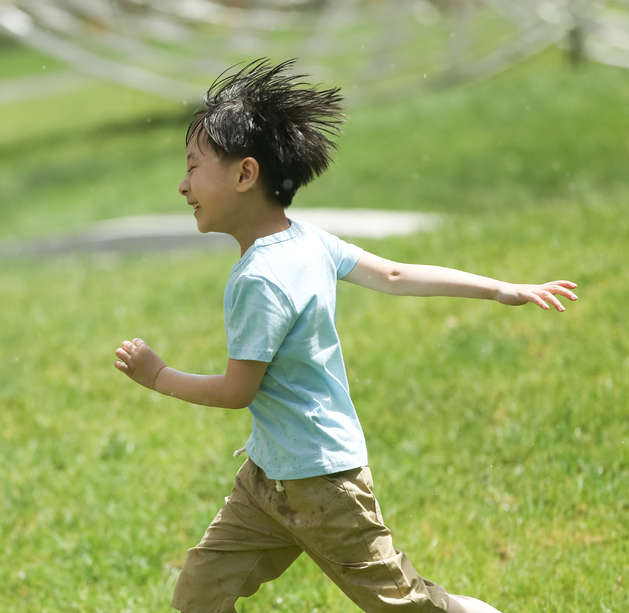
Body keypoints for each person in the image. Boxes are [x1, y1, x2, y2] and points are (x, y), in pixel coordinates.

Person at [113, 59, 577, 613]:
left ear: (245, 175)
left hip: (323, 483)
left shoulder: (259, 279)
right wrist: (497, 287)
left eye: (193, 167)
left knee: (404, 606)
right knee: (199, 594)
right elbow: (395, 275)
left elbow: (238, 391)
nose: (183, 184)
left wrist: (158, 376)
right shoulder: (308, 240)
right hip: (268, 477)